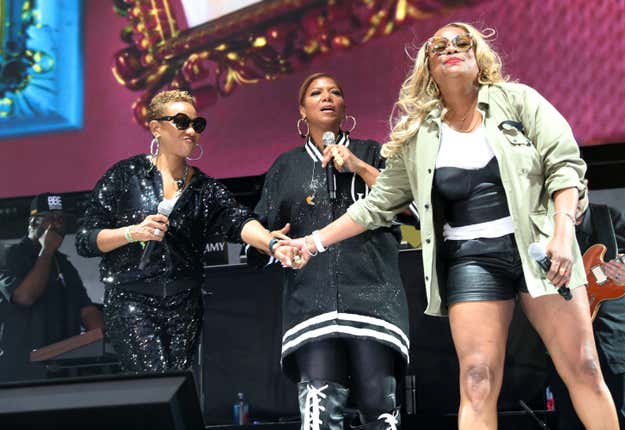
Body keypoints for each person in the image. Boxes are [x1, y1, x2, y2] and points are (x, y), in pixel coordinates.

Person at [285, 23, 620, 429]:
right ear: (429, 65)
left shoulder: (519, 101)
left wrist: (564, 235)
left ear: (479, 57)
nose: (452, 49)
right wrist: (313, 242)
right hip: (471, 258)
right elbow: (375, 206)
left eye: (463, 43)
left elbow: (564, 165)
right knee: (477, 379)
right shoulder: (419, 133)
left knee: (583, 367)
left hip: (543, 249)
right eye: (439, 46)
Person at [75, 90, 295, 373]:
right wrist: (132, 233)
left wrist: (272, 242)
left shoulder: (205, 188)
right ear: (156, 128)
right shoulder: (125, 175)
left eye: (197, 124)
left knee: (178, 389)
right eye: (181, 122)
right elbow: (85, 240)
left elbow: (238, 221)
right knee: (154, 386)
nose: (191, 131)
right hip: (132, 302)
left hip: (184, 305)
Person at [249, 73, 409, 430]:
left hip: (374, 297)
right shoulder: (285, 167)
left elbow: (409, 208)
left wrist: (359, 166)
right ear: (302, 110)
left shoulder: (374, 153)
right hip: (311, 303)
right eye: (316, 93)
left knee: (378, 408)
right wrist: (271, 240)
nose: (327, 97)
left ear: (344, 107)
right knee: (319, 415)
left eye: (335, 92)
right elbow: (260, 233)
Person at [549, 180, 625, 429]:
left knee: (624, 420)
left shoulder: (613, 219)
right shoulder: (551, 227)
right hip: (569, 340)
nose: (574, 206)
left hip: (616, 337)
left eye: (577, 197)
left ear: (586, 187)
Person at [0, 193, 104, 382]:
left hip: (61, 371)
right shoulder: (9, 257)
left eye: (61, 220)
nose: (58, 225)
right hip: (18, 372)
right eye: (51, 218)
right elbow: (24, 297)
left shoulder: (64, 264)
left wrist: (101, 339)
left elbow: (86, 309)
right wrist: (46, 250)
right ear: (33, 223)